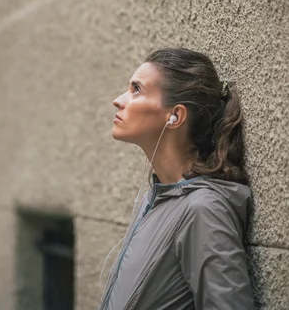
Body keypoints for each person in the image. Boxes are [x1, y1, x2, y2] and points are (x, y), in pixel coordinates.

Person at [98, 47, 255, 310]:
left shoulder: (204, 210)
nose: (118, 100)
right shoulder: (157, 196)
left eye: (136, 89)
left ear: (175, 117)